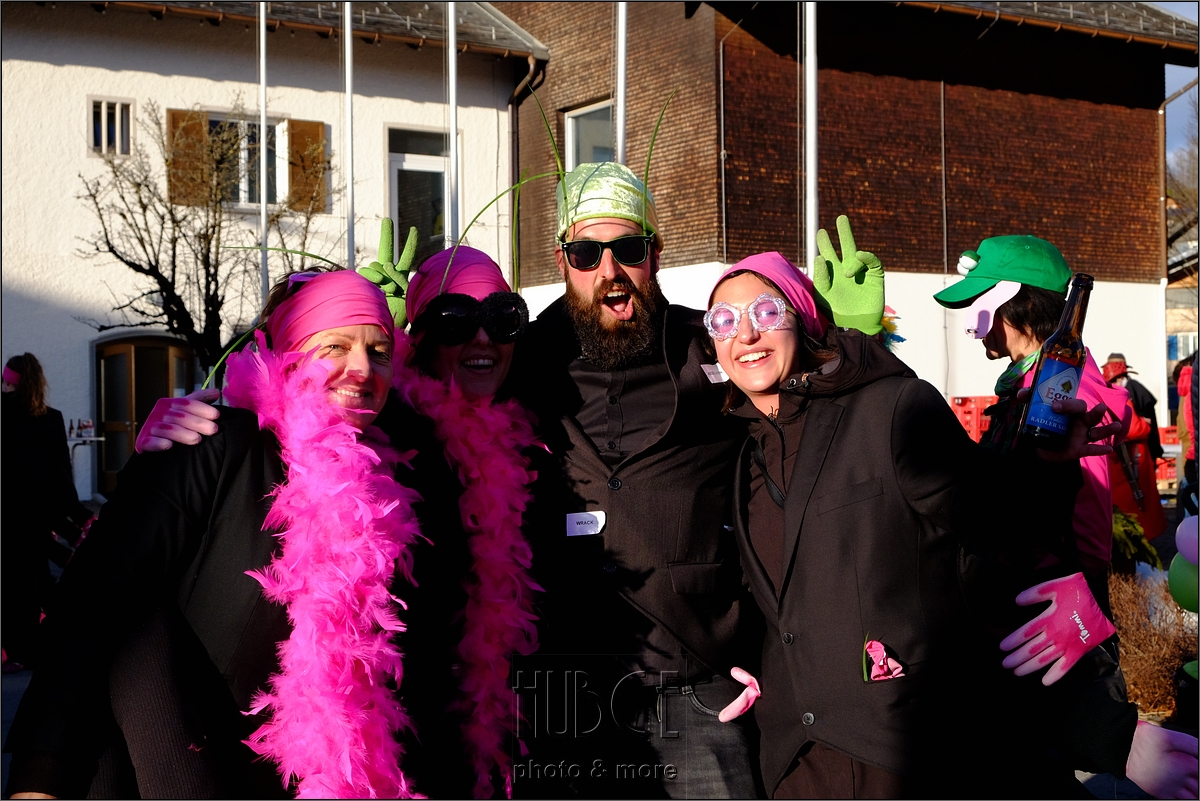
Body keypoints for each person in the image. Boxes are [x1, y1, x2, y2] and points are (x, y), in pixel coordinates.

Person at [4, 268, 536, 799]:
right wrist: (39, 781)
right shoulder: (210, 446)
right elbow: (90, 611)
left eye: (378, 352)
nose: (360, 367)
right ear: (289, 357)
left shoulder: (398, 477)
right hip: (184, 774)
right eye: (334, 346)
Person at [709, 248, 1198, 798]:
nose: (745, 333)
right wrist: (740, 663)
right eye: (723, 320)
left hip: (904, 755)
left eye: (767, 312)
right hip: (799, 765)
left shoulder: (890, 410)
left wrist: (1109, 733)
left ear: (801, 319)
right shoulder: (737, 453)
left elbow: (986, 554)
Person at [503, 161, 765, 799]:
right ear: (563, 261)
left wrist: (846, 338)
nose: (609, 270)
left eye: (628, 249)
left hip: (697, 678)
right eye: (586, 253)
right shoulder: (524, 358)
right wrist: (404, 340)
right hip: (559, 686)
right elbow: (425, 402)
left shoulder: (710, 345)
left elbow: (803, 410)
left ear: (656, 255)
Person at [934, 236, 1130, 617]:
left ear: (1023, 306)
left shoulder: (1065, 390)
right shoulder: (1022, 383)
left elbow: (1091, 525)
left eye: (981, 306)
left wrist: (1074, 598)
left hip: (1053, 598)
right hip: (1017, 580)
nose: (975, 326)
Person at [1, 353, 91, 673]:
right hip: (36, 517)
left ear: (12, 383)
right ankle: (45, 647)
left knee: (14, 585)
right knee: (35, 583)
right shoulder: (50, 418)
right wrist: (77, 516)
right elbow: (61, 475)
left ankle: (15, 650)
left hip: (9, 516)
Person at [1103, 353, 1164, 461]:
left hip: (1139, 451)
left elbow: (1135, 429)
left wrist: (1143, 424)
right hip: (1125, 452)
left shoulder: (1129, 391)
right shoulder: (1130, 389)